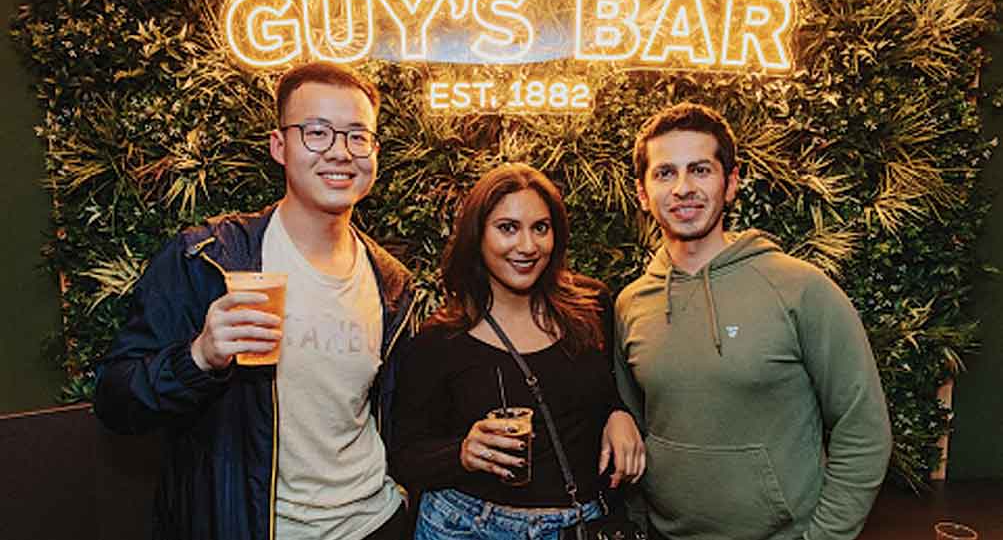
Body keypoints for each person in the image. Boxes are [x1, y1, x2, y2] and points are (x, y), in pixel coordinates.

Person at [94, 61, 415, 540]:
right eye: (317, 132)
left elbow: (393, 413)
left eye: (356, 135)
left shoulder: (392, 283)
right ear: (279, 147)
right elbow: (116, 400)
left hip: (374, 521)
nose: (339, 152)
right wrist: (198, 357)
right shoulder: (207, 260)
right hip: (256, 527)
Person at [614, 102, 893, 540]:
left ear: (731, 183)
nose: (683, 188)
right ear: (643, 193)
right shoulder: (632, 303)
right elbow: (629, 425)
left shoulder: (801, 290)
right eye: (665, 173)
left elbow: (863, 429)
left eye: (700, 170)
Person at [392, 163, 645, 540]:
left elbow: (601, 395)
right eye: (508, 228)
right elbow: (404, 457)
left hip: (578, 524)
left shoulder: (591, 307)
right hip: (469, 526)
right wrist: (462, 452)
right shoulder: (439, 342)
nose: (527, 247)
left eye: (540, 228)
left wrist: (619, 415)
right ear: (478, 236)